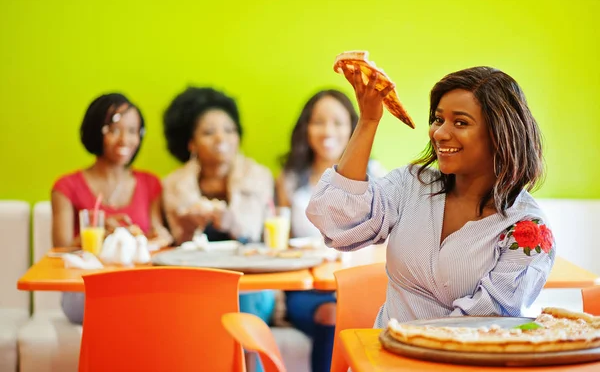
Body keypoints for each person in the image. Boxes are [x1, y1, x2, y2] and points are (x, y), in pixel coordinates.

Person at [306, 66, 556, 330]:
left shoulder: (529, 229)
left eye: (460, 122)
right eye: (438, 119)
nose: (439, 133)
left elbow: (486, 323)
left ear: (500, 134)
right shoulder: (411, 184)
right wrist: (368, 121)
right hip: (385, 356)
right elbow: (336, 220)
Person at [276, 89, 385, 372]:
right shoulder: (289, 179)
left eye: (337, 122)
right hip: (309, 291)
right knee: (331, 313)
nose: (328, 131)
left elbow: (387, 240)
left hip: (357, 282)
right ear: (306, 128)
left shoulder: (376, 174)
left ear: (353, 127)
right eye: (318, 122)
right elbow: (279, 243)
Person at [52, 93, 172, 324]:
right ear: (96, 130)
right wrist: (98, 232)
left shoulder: (150, 183)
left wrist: (161, 237)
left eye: (133, 131)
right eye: (114, 129)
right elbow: (59, 249)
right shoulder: (66, 187)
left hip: (138, 287)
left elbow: (158, 233)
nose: (125, 140)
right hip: (83, 291)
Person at [162, 86, 275, 324]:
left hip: (251, 279)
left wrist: (233, 223)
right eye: (209, 132)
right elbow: (175, 245)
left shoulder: (258, 176)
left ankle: (245, 360)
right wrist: (188, 227)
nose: (221, 138)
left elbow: (261, 237)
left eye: (229, 130)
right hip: (195, 280)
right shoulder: (173, 184)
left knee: (243, 308)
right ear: (191, 143)